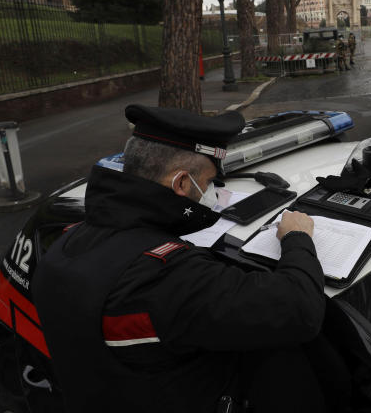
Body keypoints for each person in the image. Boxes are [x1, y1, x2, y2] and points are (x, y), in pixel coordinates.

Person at [32, 105, 347, 413]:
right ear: (181, 183)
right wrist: (297, 238)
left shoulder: (66, 243)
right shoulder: (167, 276)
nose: (212, 192)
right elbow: (299, 309)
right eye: (210, 182)